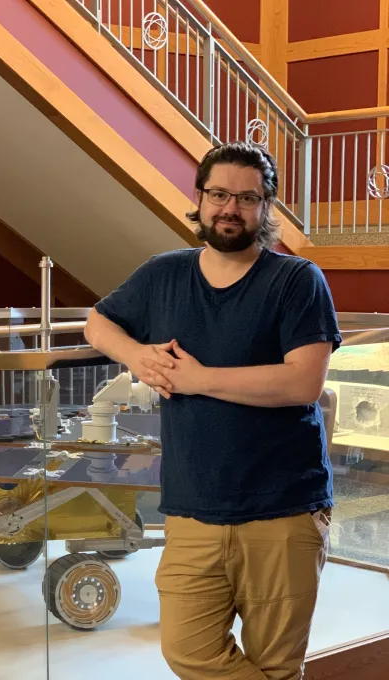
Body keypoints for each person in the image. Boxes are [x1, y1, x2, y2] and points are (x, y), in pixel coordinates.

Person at [84, 141, 341, 680]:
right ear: (199, 198)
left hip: (283, 511)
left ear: (266, 206)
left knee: (276, 665)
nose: (230, 208)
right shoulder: (163, 274)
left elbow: (303, 382)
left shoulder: (297, 280)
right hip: (192, 509)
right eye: (219, 194)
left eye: (247, 198)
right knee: (188, 651)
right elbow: (98, 323)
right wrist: (136, 355)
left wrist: (199, 379)